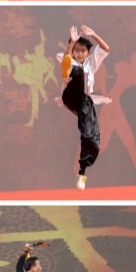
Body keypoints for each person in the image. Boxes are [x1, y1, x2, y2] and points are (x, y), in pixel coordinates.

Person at [58, 25, 110, 190]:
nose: (80, 54)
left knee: (91, 139)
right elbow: (66, 57)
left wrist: (93, 34)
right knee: (76, 71)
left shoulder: (91, 63)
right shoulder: (69, 57)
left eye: (83, 51)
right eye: (77, 51)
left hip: (84, 103)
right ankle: (68, 73)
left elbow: (105, 48)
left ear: (88, 53)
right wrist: (71, 43)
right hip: (70, 96)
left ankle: (81, 173)